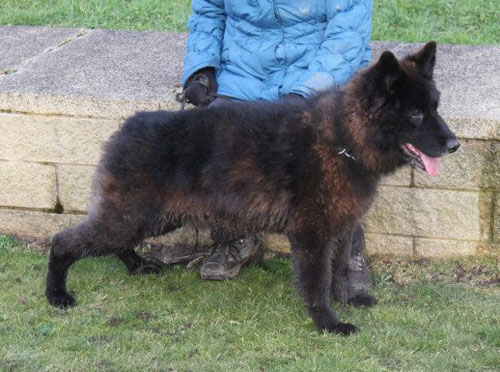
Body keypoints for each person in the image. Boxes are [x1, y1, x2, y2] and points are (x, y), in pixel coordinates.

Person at [179, 0, 376, 305]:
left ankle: (346, 251)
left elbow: (347, 35)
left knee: (330, 153)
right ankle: (236, 236)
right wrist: (201, 70)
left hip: (319, 74)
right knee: (217, 141)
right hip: (243, 74)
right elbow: (209, 11)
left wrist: (306, 91)